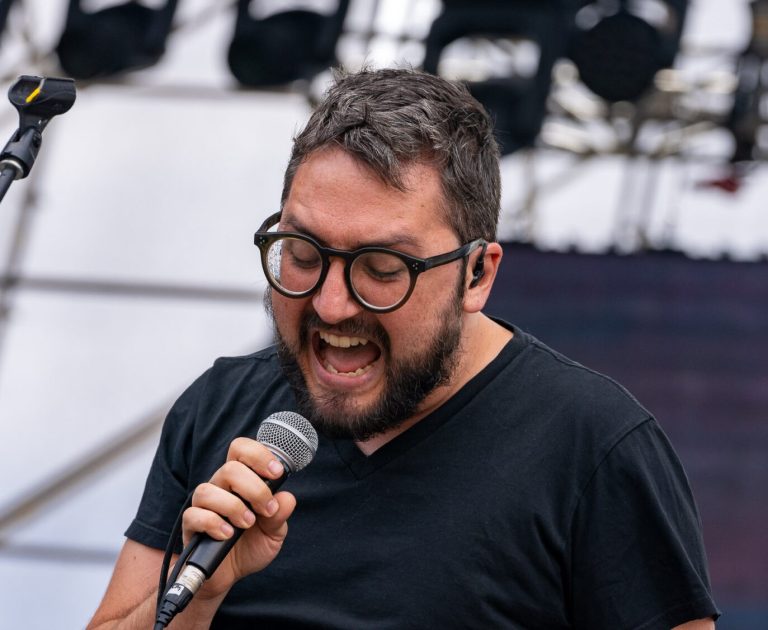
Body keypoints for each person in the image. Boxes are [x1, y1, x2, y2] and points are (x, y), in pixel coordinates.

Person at [89, 67, 719, 629]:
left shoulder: (594, 447)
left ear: (477, 275)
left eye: (383, 269)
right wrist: (197, 596)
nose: (331, 305)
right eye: (303, 254)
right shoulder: (219, 408)